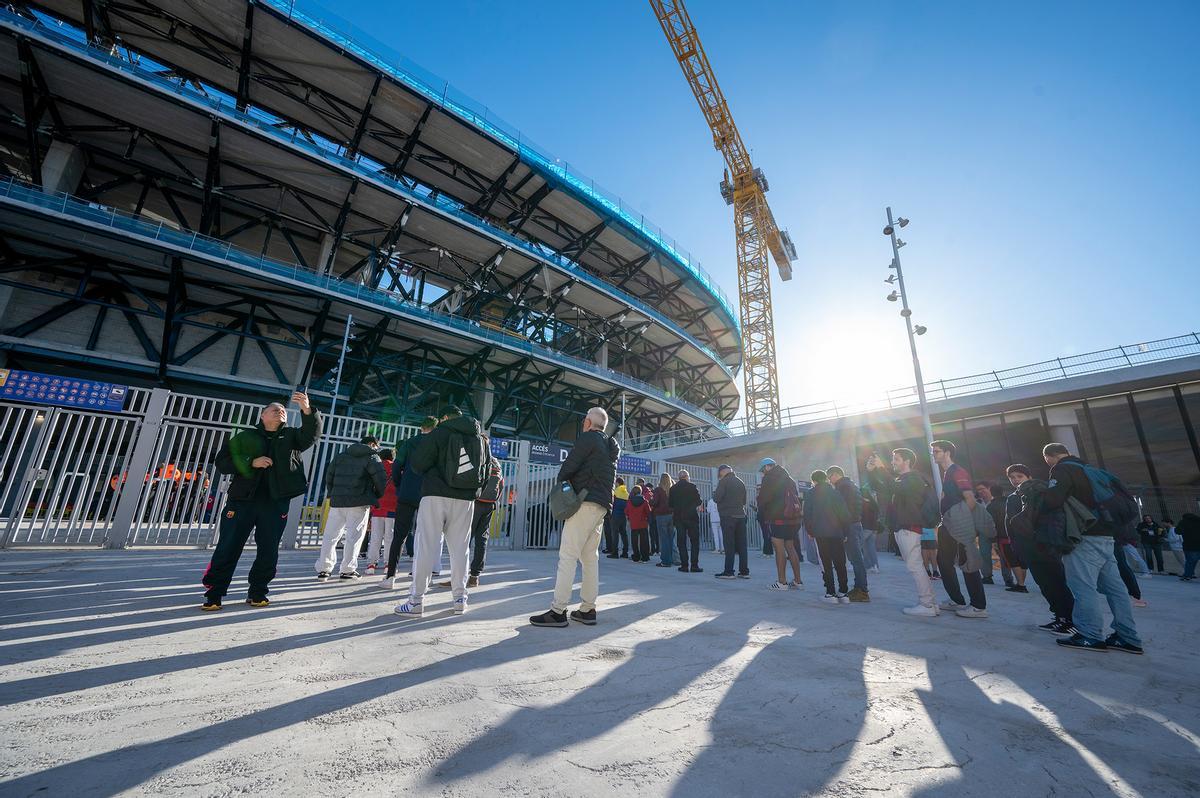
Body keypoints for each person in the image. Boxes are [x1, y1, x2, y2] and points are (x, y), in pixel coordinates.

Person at [201, 393, 321, 610]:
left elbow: (311, 435)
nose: (280, 411)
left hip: (275, 503)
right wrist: (250, 461)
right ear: (262, 415)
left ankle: (258, 592)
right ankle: (215, 593)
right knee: (228, 546)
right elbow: (223, 462)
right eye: (274, 409)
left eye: (283, 410)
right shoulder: (245, 436)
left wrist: (306, 409)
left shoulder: (292, 437)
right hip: (242, 501)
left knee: (268, 549)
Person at [1040, 443, 1143, 654]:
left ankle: (1090, 635)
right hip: (1107, 536)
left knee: (1083, 587)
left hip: (1083, 536)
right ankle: (1128, 637)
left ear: (1049, 457)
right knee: (1116, 590)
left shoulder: (1062, 469)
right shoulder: (1093, 470)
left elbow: (1053, 499)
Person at [394, 407, 489, 618]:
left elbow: (418, 464)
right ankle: (460, 599)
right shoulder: (480, 438)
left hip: (435, 495)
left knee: (426, 546)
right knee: (460, 550)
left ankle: (416, 601)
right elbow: (487, 469)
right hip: (465, 500)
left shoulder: (439, 432)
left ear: (445, 418)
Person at [530, 406, 619, 627]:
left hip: (585, 502)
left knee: (568, 555)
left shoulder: (588, 439)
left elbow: (568, 467)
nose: (582, 423)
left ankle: (558, 611)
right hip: (601, 505)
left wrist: (562, 482)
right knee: (590, 558)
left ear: (589, 423)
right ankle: (587, 609)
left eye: (584, 419)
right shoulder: (610, 446)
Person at [1005, 464, 1075, 635]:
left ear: (1028, 477)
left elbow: (1014, 525)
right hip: (1037, 547)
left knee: (1055, 583)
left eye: (1019, 476)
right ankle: (1060, 617)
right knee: (1047, 584)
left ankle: (1068, 620)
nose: (1015, 480)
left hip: (1041, 546)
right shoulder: (1022, 495)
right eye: (1012, 477)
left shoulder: (1037, 494)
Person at [930, 440, 988, 619]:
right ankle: (957, 600)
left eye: (937, 452)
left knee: (967, 563)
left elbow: (970, 499)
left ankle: (979, 607)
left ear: (947, 453)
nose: (934, 455)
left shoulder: (958, 471)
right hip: (947, 524)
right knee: (943, 561)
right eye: (933, 452)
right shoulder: (947, 473)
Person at [383, 417, 438, 588]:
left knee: (399, 536)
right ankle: (422, 576)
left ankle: (390, 576)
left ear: (421, 426)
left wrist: (401, 484)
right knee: (426, 537)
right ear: (435, 428)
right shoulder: (437, 445)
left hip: (407, 494)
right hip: (428, 495)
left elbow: (396, 466)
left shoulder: (408, 443)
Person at [440, 442, 503, 589]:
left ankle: (458, 578)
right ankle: (475, 577)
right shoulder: (496, 462)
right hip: (490, 504)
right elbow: (501, 484)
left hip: (475, 503)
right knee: (482, 540)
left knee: (464, 539)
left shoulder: (479, 458)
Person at [887, 448, 939, 616]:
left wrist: (880, 470)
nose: (892, 462)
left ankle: (927, 605)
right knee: (916, 565)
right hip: (906, 526)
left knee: (915, 565)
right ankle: (930, 603)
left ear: (907, 461)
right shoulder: (905, 479)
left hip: (908, 527)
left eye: (896, 459)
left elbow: (898, 489)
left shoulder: (913, 479)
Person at [757, 458, 803, 590]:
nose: (762, 473)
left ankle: (782, 582)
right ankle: (798, 581)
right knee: (791, 547)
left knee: (779, 548)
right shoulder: (789, 479)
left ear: (766, 467)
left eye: (762, 470)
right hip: (792, 519)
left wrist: (762, 513)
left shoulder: (769, 478)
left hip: (778, 518)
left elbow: (764, 498)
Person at [806, 470, 851, 604]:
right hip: (837, 533)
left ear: (813, 481)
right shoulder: (835, 492)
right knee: (840, 562)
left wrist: (810, 531)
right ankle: (843, 593)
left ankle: (830, 593)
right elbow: (844, 514)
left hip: (820, 533)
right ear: (826, 479)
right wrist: (845, 532)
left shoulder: (810, 494)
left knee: (825, 563)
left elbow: (807, 514)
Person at [827, 466, 869, 602]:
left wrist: (843, 530)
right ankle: (860, 588)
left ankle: (862, 591)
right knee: (857, 559)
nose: (829, 480)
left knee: (856, 559)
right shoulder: (851, 485)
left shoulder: (842, 487)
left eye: (830, 476)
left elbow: (842, 510)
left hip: (849, 526)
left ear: (836, 474)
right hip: (856, 524)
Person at [975, 482, 1020, 590]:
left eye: (982, 489)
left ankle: (1008, 578)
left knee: (1003, 555)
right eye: (978, 490)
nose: (980, 492)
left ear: (989, 488)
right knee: (984, 554)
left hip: (999, 532)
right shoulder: (977, 503)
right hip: (983, 532)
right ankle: (987, 576)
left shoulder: (999, 502)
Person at [712, 464, 749, 580]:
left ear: (722, 472)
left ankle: (729, 572)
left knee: (729, 545)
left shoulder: (724, 482)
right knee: (742, 546)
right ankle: (744, 571)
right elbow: (744, 501)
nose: (719, 476)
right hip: (741, 516)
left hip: (728, 516)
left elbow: (717, 498)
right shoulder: (740, 482)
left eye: (719, 474)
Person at [365, 447, 397, 575]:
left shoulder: (376, 467)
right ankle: (388, 564)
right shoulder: (397, 468)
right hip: (392, 508)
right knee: (390, 537)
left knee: (375, 537)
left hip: (377, 507)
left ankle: (371, 564)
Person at [669, 470, 704, 573]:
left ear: (679, 477)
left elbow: (670, 504)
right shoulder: (692, 486)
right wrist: (692, 506)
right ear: (687, 477)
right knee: (694, 542)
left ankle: (684, 566)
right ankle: (694, 565)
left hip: (679, 518)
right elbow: (699, 501)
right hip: (692, 517)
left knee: (681, 542)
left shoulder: (673, 488)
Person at [652, 472, 676, 567]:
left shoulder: (658, 490)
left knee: (664, 539)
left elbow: (655, 502)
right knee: (670, 539)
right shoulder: (673, 490)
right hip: (672, 515)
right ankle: (671, 559)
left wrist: (650, 500)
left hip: (661, 515)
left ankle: (665, 561)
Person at [858, 485, 881, 574]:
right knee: (871, 548)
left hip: (865, 528)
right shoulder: (873, 503)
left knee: (860, 547)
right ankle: (875, 566)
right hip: (873, 529)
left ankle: (866, 566)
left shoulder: (862, 503)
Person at [626, 484, 652, 562]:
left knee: (634, 540)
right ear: (641, 492)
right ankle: (645, 556)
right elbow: (648, 512)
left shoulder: (630, 502)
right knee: (644, 540)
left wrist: (630, 517)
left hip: (634, 523)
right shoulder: (644, 501)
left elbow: (626, 511)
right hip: (643, 523)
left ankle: (636, 556)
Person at [608, 478, 630, 559]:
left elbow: (612, 503)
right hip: (623, 516)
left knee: (615, 534)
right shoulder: (627, 493)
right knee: (624, 534)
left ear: (617, 483)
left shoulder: (615, 492)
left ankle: (615, 553)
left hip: (615, 516)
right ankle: (625, 552)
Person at [1177, 512, 1200, 581]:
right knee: (1192, 561)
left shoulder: (1184, 522)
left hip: (1189, 545)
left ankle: (1188, 575)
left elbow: (1177, 531)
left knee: (1190, 561)